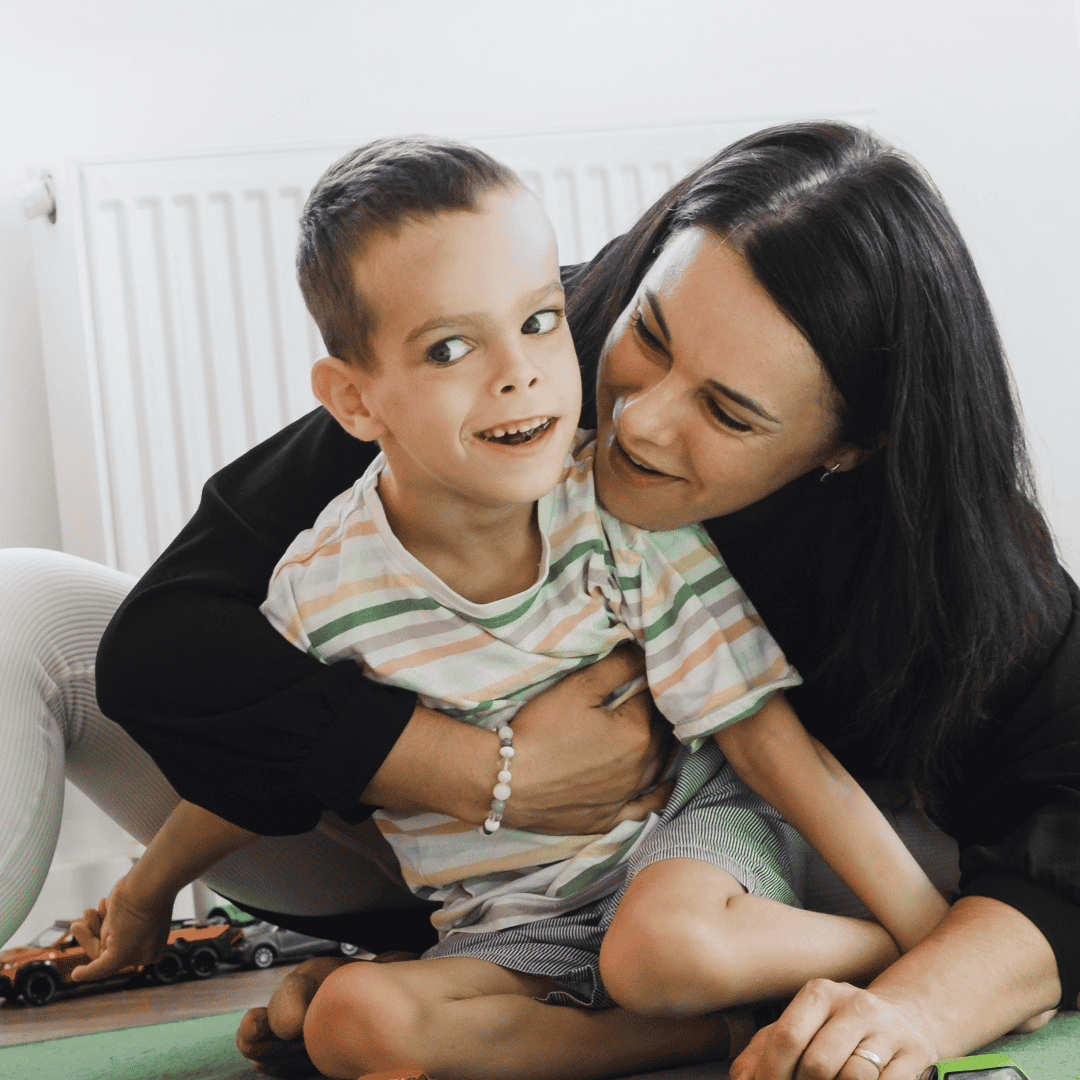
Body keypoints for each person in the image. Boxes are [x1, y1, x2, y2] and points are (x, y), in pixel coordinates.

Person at [1, 120, 1075, 1079]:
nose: (639, 423)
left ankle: (690, 999)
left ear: (853, 443)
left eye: (730, 413)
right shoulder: (504, 363)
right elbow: (168, 646)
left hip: (732, 872)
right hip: (453, 878)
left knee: (735, 922)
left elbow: (1049, 854)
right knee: (21, 604)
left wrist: (922, 996)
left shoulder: (972, 577)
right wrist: (480, 773)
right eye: (647, 336)